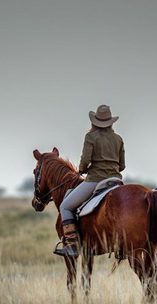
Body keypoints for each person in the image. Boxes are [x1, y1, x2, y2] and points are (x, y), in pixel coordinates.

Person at [55, 104, 126, 257]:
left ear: (95, 122)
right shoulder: (118, 139)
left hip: (95, 180)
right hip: (116, 181)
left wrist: (81, 170)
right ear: (111, 122)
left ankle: (72, 245)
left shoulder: (91, 137)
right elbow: (122, 165)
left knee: (65, 206)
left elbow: (85, 160)